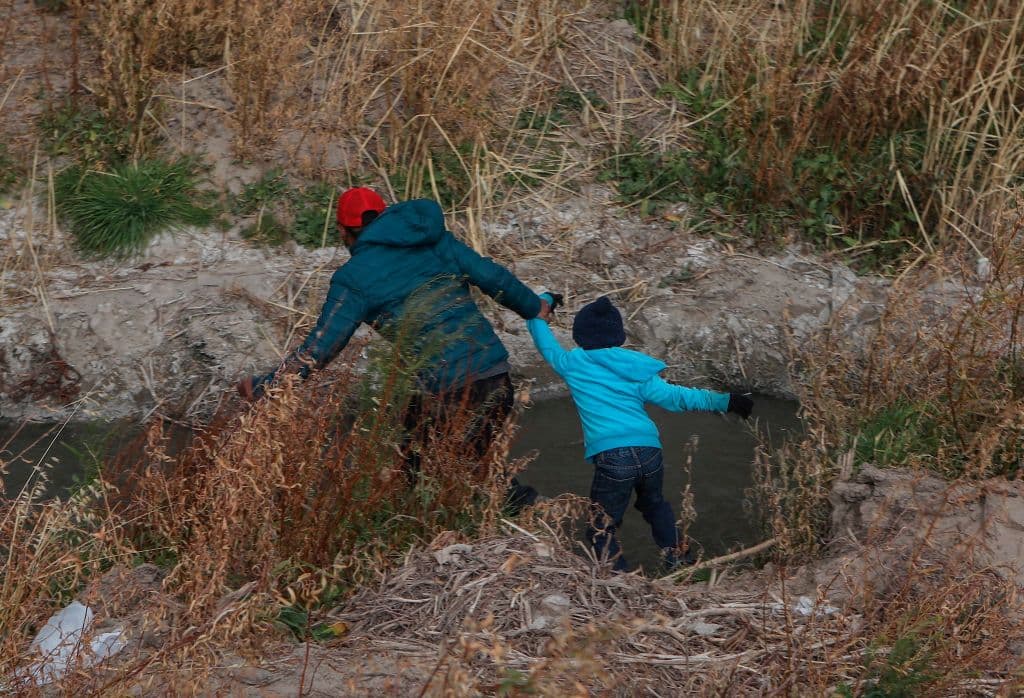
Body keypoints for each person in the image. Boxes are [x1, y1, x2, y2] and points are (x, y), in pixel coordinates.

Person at [238, 187, 551, 506]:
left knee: (463, 468)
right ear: (385, 213)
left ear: (344, 232)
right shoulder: (435, 241)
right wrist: (534, 306)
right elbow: (493, 277)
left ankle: (526, 512)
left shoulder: (354, 278)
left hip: (451, 392)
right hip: (495, 376)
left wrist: (267, 387)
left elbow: (321, 347)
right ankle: (415, 515)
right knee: (427, 453)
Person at [526, 294, 753, 571]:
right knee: (655, 504)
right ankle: (681, 561)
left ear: (579, 336)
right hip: (649, 451)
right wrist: (726, 401)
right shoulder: (635, 368)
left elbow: (542, 337)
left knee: (601, 527)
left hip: (612, 457)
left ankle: (619, 581)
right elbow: (676, 397)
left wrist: (544, 300)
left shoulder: (572, 363)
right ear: (619, 336)